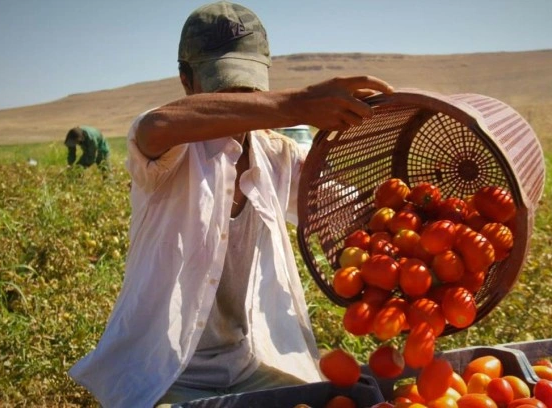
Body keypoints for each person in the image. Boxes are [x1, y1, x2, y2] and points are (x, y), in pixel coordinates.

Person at [67, 2, 393, 407]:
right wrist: (295, 105)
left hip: (249, 366)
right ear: (186, 80)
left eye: (248, 86)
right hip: (160, 373)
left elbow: (353, 217)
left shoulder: (279, 157)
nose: (240, 97)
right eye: (224, 86)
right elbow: (155, 125)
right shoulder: (168, 152)